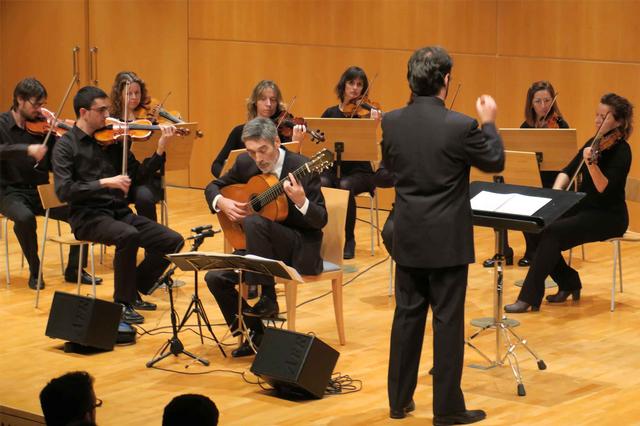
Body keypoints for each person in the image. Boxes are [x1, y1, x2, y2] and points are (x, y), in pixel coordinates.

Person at [383, 46, 504, 424]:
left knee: (407, 318)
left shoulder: (391, 121)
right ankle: (447, 409)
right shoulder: (461, 125)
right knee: (447, 324)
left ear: (411, 80)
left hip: (408, 235)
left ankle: (398, 401)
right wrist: (488, 122)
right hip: (446, 241)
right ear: (446, 80)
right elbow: (494, 160)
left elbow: (390, 167)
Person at [52, 86, 184, 324]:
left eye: (107, 110)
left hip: (119, 213)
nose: (107, 115)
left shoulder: (113, 143)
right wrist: (104, 182)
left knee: (172, 241)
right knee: (128, 235)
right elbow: (64, 191)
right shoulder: (65, 146)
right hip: (88, 217)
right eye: (101, 110)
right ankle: (122, 304)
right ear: (83, 112)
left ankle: (135, 288)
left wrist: (160, 149)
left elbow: (139, 176)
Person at [204, 117, 326, 357]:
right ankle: (256, 334)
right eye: (252, 152)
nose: (258, 158)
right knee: (215, 277)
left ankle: (268, 297)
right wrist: (222, 202)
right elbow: (212, 187)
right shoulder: (244, 163)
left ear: (277, 142)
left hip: (297, 248)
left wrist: (301, 201)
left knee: (253, 222)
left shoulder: (303, 166)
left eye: (263, 150)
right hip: (259, 249)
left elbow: (321, 219)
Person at [504, 93, 633, 313]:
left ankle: (528, 298)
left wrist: (592, 164)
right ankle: (569, 282)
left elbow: (603, 188)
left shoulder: (622, 151)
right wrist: (555, 194)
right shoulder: (593, 143)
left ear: (619, 121)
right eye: (597, 115)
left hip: (608, 216)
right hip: (585, 207)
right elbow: (567, 170)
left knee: (553, 232)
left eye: (604, 117)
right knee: (535, 225)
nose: (597, 120)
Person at [0, 78, 101, 289]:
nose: (40, 109)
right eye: (36, 104)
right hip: (10, 192)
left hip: (42, 191)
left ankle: (75, 269)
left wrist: (61, 138)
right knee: (25, 218)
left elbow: (57, 162)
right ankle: (35, 270)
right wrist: (26, 150)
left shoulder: (45, 128)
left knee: (84, 208)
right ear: (20, 100)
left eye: (43, 104)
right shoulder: (2, 124)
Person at [483, 80, 571, 269]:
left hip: (552, 183)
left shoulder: (561, 126)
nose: (543, 105)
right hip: (530, 179)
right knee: (503, 197)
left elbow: (567, 162)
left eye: (547, 100)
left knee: (529, 201)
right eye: (538, 101)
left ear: (553, 101)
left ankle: (533, 250)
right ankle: (504, 249)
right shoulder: (526, 126)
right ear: (531, 104)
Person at [320, 66, 383, 259]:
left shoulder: (365, 114)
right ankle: (325, 237)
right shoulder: (330, 113)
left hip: (360, 171)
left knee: (345, 185)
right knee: (322, 182)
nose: (355, 88)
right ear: (343, 85)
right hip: (333, 168)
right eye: (351, 83)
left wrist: (374, 124)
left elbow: (368, 146)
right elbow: (320, 143)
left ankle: (349, 239)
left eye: (359, 84)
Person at [210, 80, 304, 178]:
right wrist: (231, 179)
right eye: (263, 99)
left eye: (273, 100)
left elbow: (292, 168)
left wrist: (296, 144)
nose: (268, 104)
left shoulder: (284, 133)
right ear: (255, 102)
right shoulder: (239, 131)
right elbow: (216, 165)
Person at [109, 71, 163, 222]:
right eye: (129, 93)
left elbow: (154, 160)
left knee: (144, 198)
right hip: (117, 177)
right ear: (119, 94)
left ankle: (151, 235)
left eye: (137, 93)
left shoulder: (146, 121)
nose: (134, 97)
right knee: (111, 199)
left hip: (143, 177)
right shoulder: (110, 121)